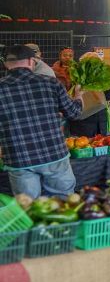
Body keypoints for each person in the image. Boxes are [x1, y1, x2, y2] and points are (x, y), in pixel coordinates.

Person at [0, 44, 83, 196]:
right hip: (54, 154)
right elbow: (74, 113)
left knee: (29, 209)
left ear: (5, 63)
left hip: (19, 158)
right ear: (32, 61)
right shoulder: (50, 83)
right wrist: (78, 96)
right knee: (63, 204)